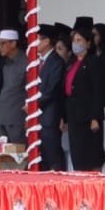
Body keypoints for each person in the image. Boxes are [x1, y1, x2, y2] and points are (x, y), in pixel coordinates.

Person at [62, 26, 105, 172]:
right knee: (78, 154)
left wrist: (95, 117)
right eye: (74, 40)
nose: (76, 43)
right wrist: (64, 118)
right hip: (74, 115)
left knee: (91, 156)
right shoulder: (71, 63)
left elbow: (98, 91)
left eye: (79, 40)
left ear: (88, 43)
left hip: (88, 117)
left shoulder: (94, 62)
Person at [35, 24, 68, 170]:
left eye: (37, 39)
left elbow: (51, 89)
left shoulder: (56, 61)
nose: (34, 43)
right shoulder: (38, 61)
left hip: (49, 115)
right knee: (40, 157)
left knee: (52, 154)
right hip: (38, 117)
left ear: (47, 41)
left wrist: (33, 104)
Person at [0, 28, 26, 145]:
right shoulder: (6, 63)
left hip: (17, 117)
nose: (0, 46)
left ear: (13, 43)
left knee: (19, 154)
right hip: (3, 115)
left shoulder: (26, 62)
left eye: (3, 43)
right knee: (4, 156)